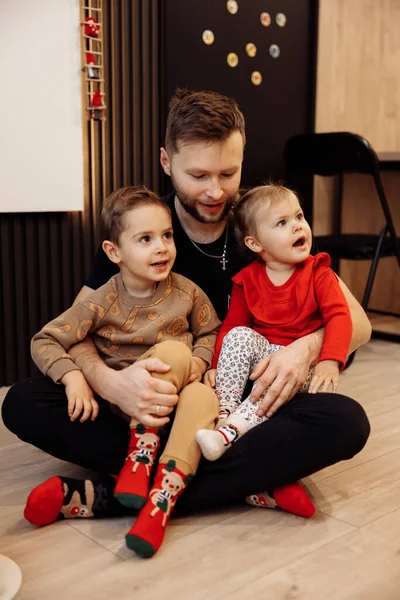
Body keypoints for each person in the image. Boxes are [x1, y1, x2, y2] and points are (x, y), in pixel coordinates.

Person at [2, 89, 371, 523]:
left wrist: (304, 350)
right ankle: (244, 479)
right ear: (166, 163)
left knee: (346, 421)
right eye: (198, 175)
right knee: (24, 401)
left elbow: (358, 325)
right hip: (151, 400)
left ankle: (116, 492)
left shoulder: (262, 219)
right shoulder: (145, 227)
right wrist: (109, 383)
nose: (215, 191)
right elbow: (77, 330)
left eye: (228, 173)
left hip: (241, 400)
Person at [27, 185, 221, 558]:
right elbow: (45, 340)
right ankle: (143, 451)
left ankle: (158, 502)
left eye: (166, 235)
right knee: (167, 354)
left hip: (179, 405)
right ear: (114, 252)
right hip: (130, 409)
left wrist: (199, 362)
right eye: (145, 239)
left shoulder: (188, 293)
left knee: (201, 392)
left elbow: (211, 331)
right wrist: (74, 378)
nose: (161, 247)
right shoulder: (101, 301)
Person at [196, 184, 353, 466]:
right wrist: (217, 365)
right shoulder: (248, 279)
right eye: (282, 222)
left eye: (299, 217)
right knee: (239, 335)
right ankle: (223, 413)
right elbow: (233, 326)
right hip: (265, 357)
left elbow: (340, 317)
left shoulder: (319, 272)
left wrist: (330, 361)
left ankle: (230, 433)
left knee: (275, 381)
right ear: (255, 244)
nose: (297, 227)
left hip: (301, 369)